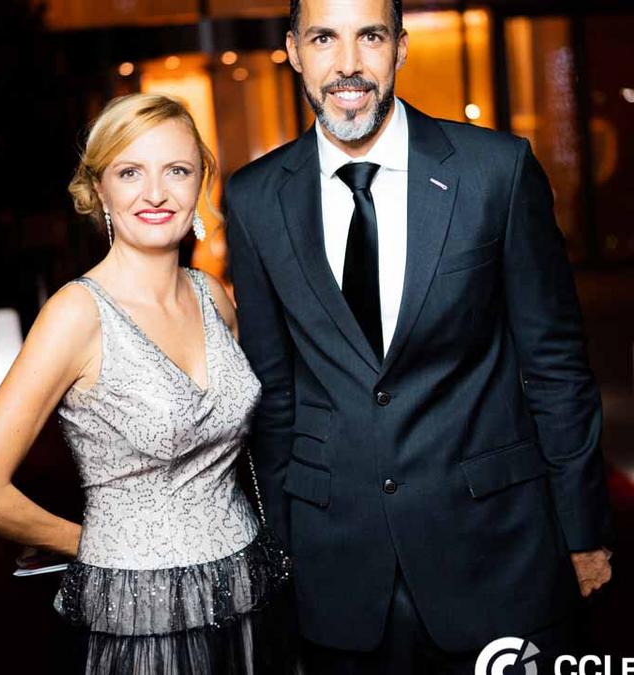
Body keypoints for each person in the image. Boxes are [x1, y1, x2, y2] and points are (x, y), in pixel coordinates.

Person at [224, 0, 613, 670]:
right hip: (337, 565)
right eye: (324, 38)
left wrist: (583, 531)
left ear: (400, 47)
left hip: (497, 551)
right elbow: (274, 393)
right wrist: (285, 547)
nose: (348, 64)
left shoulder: (496, 171)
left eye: (370, 36)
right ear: (292, 50)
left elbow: (556, 366)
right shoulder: (255, 198)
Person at [0, 93, 296, 674]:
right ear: (99, 190)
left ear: (200, 183)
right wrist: (94, 544)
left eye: (176, 170)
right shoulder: (76, 314)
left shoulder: (212, 296)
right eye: (130, 172)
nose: (155, 193)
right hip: (144, 617)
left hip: (248, 587)